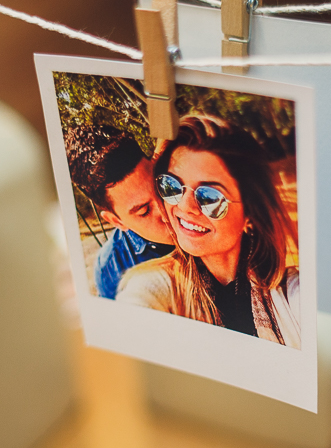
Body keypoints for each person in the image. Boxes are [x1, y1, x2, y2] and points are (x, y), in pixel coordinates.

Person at [117, 116, 301, 347]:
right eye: (171, 186)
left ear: (249, 213)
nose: (185, 206)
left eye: (210, 197)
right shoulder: (159, 285)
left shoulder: (291, 292)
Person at [64, 125, 174, 299]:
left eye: (162, 188)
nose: (166, 210)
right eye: (144, 211)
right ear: (116, 221)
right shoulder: (111, 269)